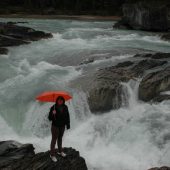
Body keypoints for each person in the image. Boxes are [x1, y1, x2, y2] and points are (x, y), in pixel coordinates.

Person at [48, 95, 70, 162]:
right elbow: (49, 118)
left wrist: (68, 124)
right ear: (57, 100)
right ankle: (52, 155)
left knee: (60, 138)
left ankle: (60, 151)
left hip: (62, 126)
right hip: (55, 126)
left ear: (63, 101)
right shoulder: (53, 107)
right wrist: (52, 113)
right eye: (59, 100)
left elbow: (67, 116)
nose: (60, 101)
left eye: (61, 100)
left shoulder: (65, 107)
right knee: (54, 140)